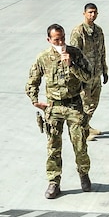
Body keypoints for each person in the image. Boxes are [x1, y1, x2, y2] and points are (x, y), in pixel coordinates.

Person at [25, 24, 93, 199]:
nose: (61, 42)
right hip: (53, 107)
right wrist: (35, 101)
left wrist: (71, 65)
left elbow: (89, 76)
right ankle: (54, 182)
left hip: (74, 106)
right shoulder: (43, 58)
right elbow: (32, 81)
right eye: (56, 39)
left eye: (62, 38)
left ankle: (83, 174)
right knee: (53, 146)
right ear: (49, 40)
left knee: (80, 145)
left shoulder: (75, 54)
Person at [70, 3, 108, 139]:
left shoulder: (98, 31)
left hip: (96, 73)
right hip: (84, 75)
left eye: (95, 12)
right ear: (84, 13)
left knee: (94, 102)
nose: (93, 15)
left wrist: (105, 69)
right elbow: (73, 54)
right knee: (85, 103)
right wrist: (77, 75)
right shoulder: (78, 32)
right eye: (90, 12)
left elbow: (102, 51)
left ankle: (86, 125)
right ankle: (82, 131)